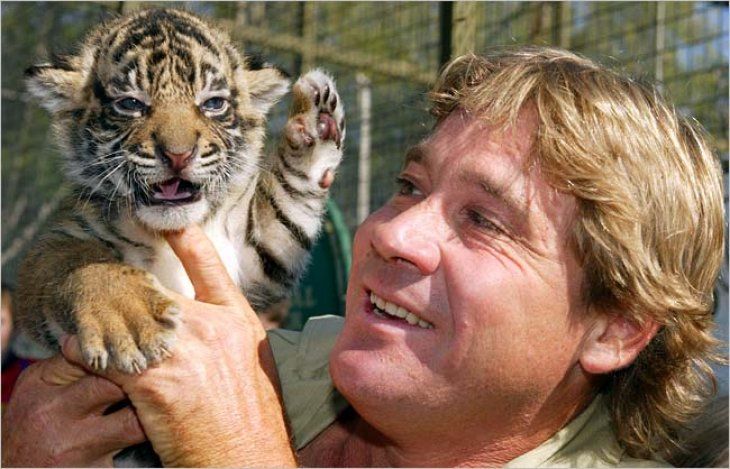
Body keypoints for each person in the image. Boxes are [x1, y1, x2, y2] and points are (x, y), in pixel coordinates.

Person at [2, 46, 725, 467]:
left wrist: (237, 452)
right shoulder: (292, 365)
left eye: (484, 219)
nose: (392, 232)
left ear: (616, 327)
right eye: (409, 185)